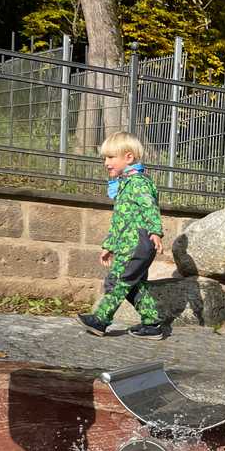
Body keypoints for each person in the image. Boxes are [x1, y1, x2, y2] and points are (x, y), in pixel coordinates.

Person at [77, 131, 166, 340]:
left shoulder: (138, 183)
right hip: (128, 245)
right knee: (133, 283)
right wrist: (109, 245)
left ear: (128, 157)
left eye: (111, 157)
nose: (106, 162)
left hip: (138, 244)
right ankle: (152, 324)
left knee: (118, 281)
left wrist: (155, 232)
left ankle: (100, 320)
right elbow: (120, 221)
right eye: (105, 158)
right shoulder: (125, 185)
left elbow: (150, 208)